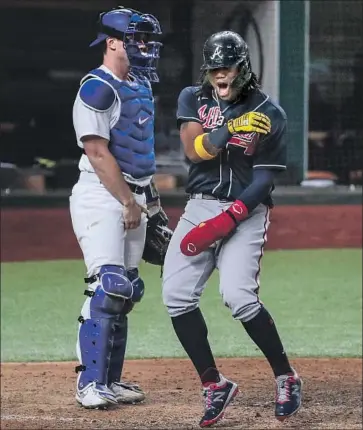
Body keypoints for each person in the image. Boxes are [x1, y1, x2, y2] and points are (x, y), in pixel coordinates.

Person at [162, 31, 302, 428]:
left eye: (227, 68)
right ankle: (214, 384)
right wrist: (232, 126)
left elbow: (264, 181)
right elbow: (194, 150)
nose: (219, 77)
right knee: (175, 296)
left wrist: (233, 216)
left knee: (237, 295)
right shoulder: (194, 97)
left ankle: (286, 377)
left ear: (244, 68)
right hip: (200, 206)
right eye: (213, 70)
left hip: (247, 208)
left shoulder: (271, 113)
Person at [69, 6, 166, 409]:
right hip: (102, 195)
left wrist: (152, 204)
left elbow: (141, 156)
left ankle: (112, 380)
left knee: (128, 290)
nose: (144, 46)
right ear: (112, 42)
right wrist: (126, 200)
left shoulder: (140, 87)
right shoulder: (97, 87)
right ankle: (89, 383)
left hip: (136, 197)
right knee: (108, 286)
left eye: (148, 39)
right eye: (136, 38)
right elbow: (96, 150)